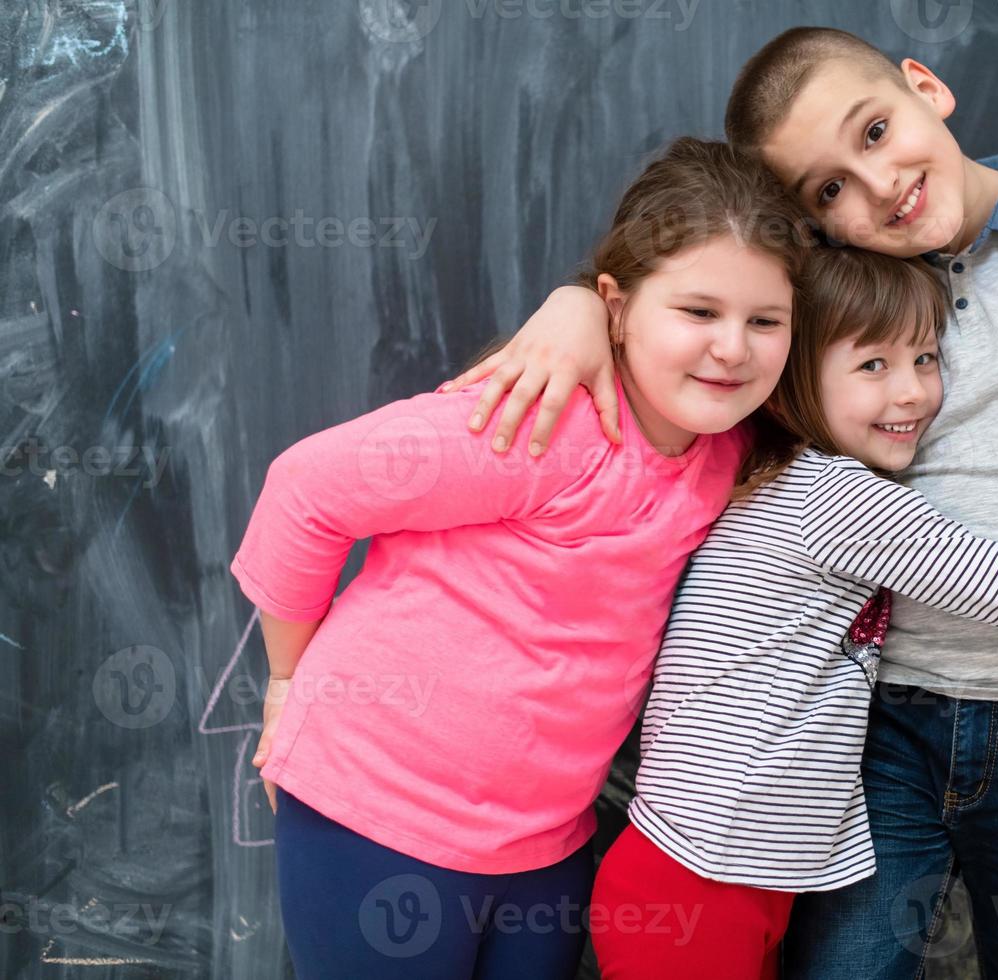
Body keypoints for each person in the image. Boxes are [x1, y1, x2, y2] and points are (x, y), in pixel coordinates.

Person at [440, 27, 998, 980]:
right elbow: (695, 287)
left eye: (874, 132)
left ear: (925, 88)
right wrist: (580, 303)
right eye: (828, 190)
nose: (878, 189)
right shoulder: (821, 296)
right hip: (872, 734)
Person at [229, 136, 810, 979]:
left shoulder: (732, 454)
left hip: (544, 843)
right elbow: (305, 490)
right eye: (699, 312)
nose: (732, 348)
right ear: (617, 307)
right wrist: (286, 679)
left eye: (764, 322)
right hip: (376, 813)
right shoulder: (539, 423)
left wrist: (574, 300)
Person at [588, 243, 998, 980]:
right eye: (873, 366)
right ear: (795, 377)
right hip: (699, 883)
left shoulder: (775, 471)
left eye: (925, 359)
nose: (913, 393)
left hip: (729, 871)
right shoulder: (835, 498)